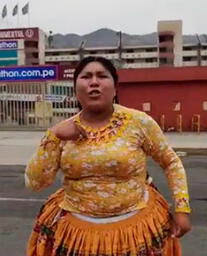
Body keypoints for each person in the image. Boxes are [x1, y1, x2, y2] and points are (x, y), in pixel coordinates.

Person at [25, 56, 191, 255]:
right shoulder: (62, 131)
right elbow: (35, 183)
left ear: (115, 87)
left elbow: (171, 162)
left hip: (136, 231)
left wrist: (182, 209)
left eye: (102, 76)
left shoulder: (138, 122)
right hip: (74, 234)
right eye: (86, 77)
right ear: (75, 88)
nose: (94, 82)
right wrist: (52, 136)